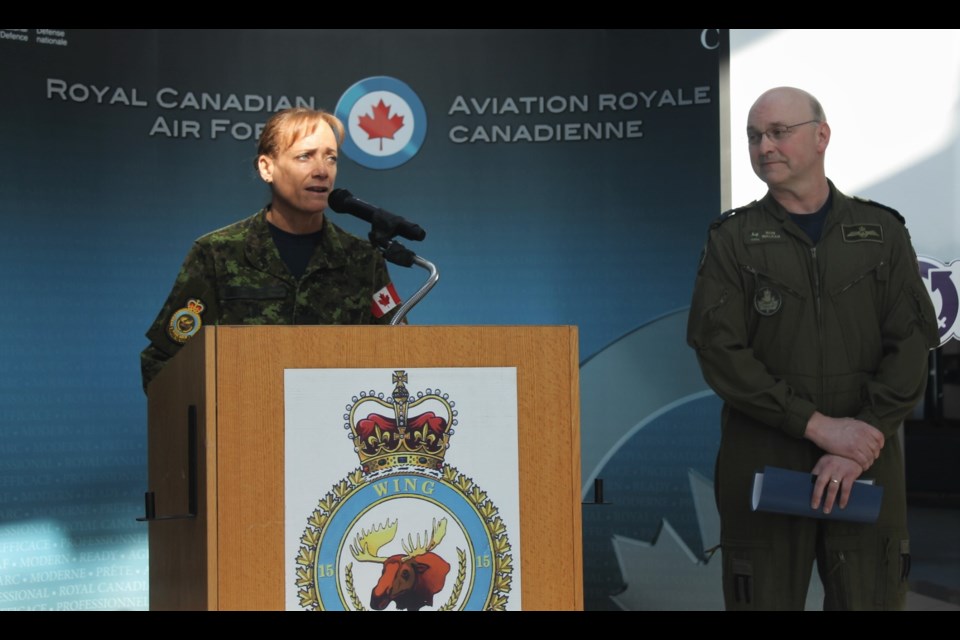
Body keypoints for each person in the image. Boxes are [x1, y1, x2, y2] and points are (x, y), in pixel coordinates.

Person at [686, 87, 939, 610]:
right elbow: (719, 351)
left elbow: (912, 343)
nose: (764, 147)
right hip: (765, 462)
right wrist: (820, 427)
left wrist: (861, 438)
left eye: (779, 132)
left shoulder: (882, 233)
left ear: (821, 136)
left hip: (865, 466)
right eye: (755, 136)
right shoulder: (732, 240)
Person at [141, 108, 402, 390]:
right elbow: (163, 362)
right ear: (267, 167)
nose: (322, 171)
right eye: (305, 156)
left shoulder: (363, 260)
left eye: (331, 158)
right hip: (244, 425)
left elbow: (403, 353)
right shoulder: (217, 253)